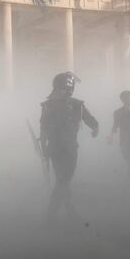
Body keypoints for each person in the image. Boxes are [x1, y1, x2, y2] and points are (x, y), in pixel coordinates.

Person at [40, 72, 99, 224]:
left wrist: (95, 127)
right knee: (63, 180)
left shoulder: (73, 104)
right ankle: (52, 215)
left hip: (64, 147)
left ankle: (68, 212)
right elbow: (44, 128)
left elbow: (88, 118)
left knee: (63, 180)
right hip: (60, 148)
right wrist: (44, 147)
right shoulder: (51, 105)